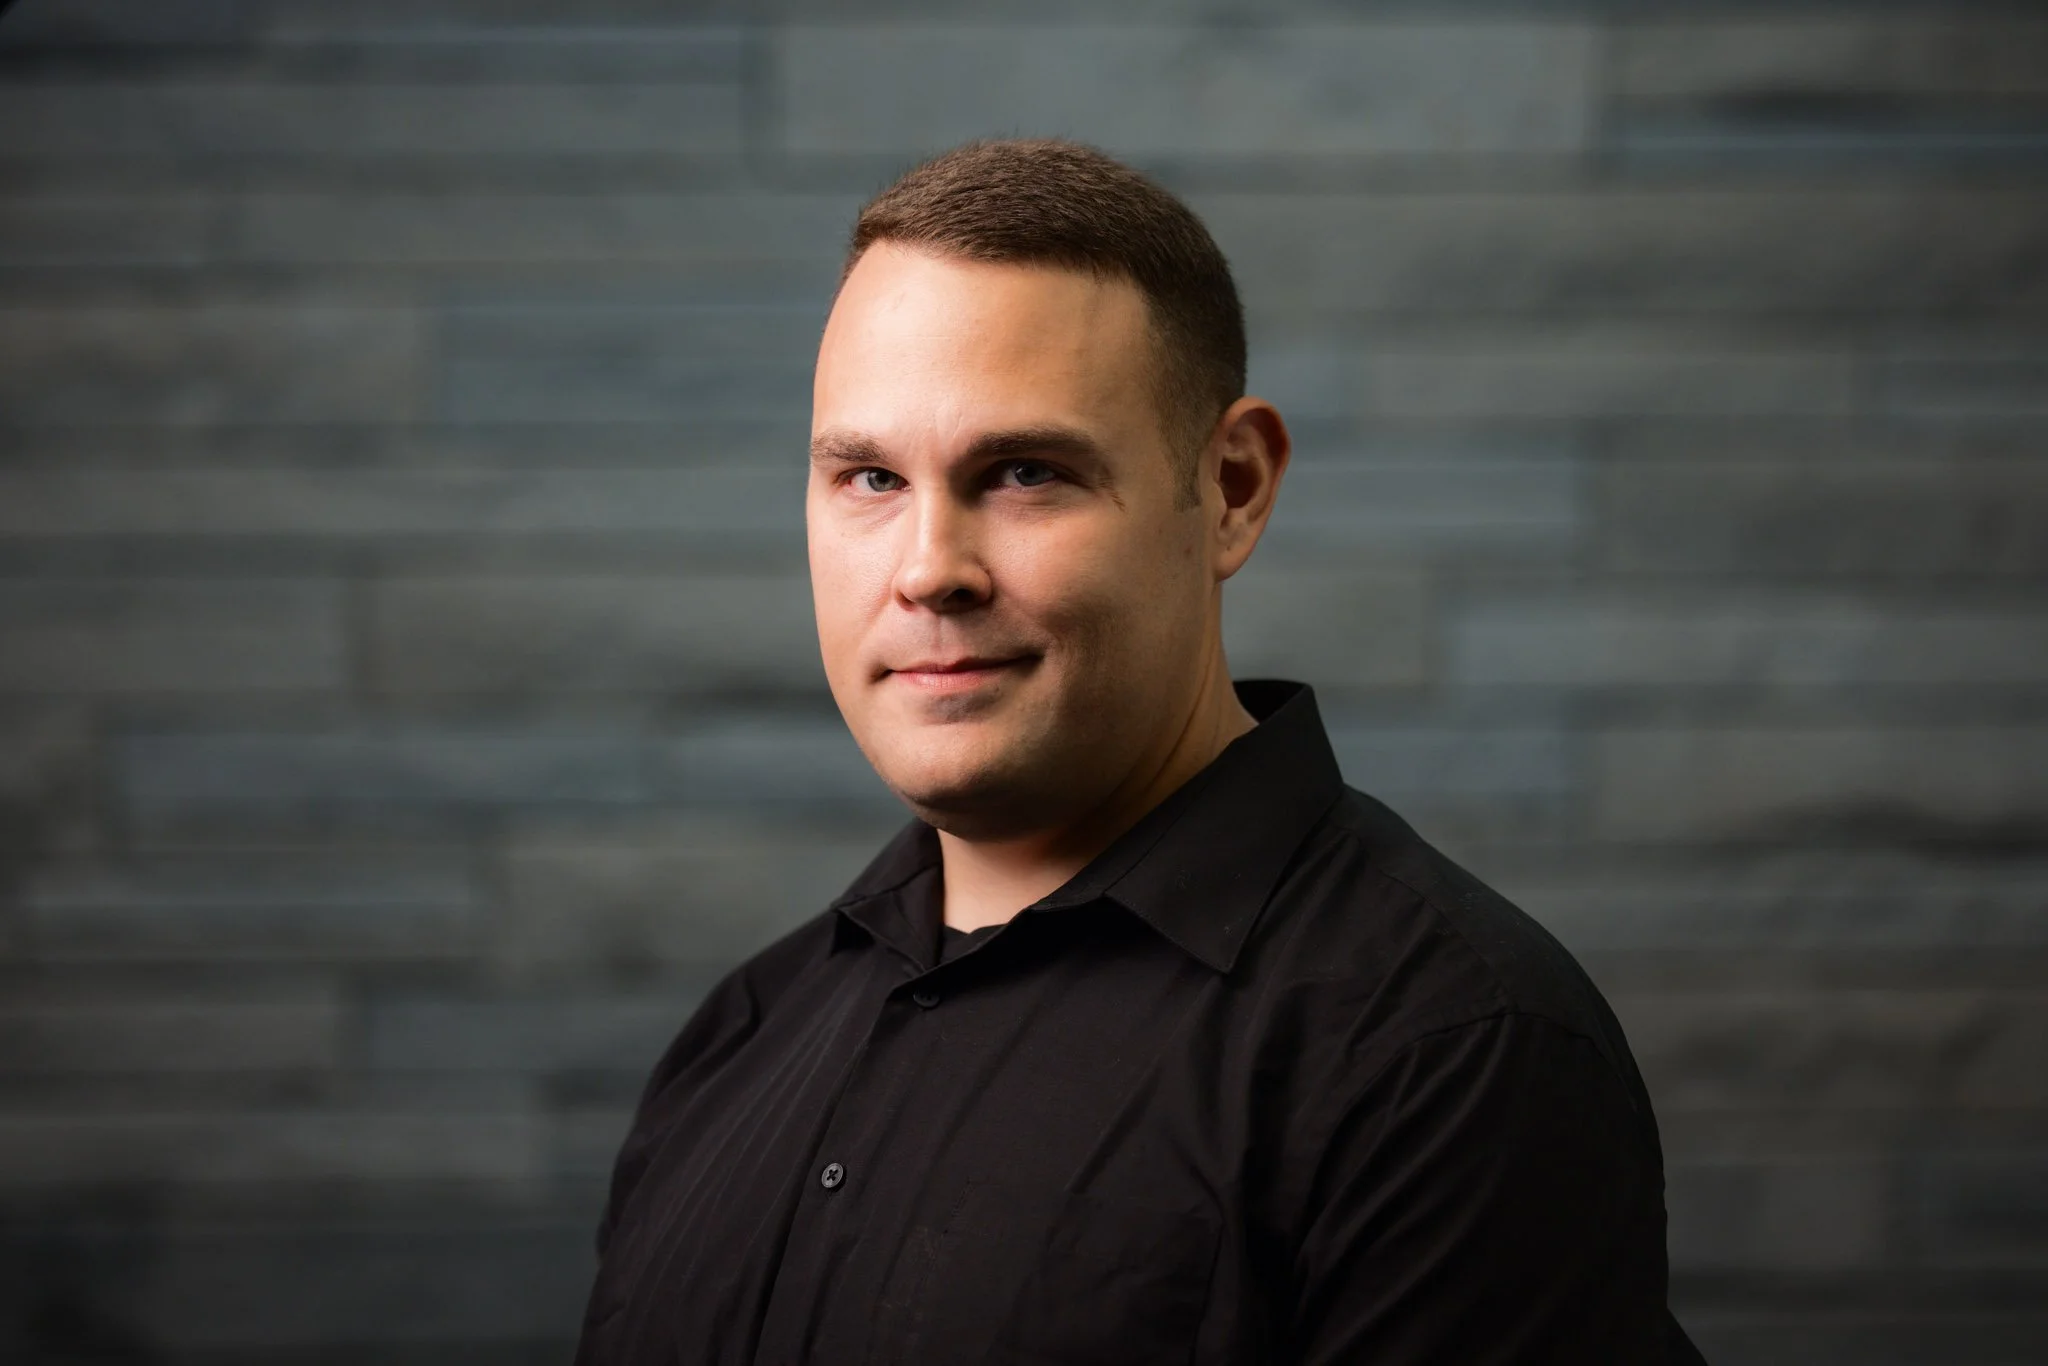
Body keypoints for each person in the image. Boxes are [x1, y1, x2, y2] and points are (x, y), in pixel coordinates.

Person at [576, 138, 1705, 1365]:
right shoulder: (742, 1036)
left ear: (1227, 487)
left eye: (1022, 473)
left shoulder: (1447, 1054)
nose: (926, 570)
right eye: (868, 477)